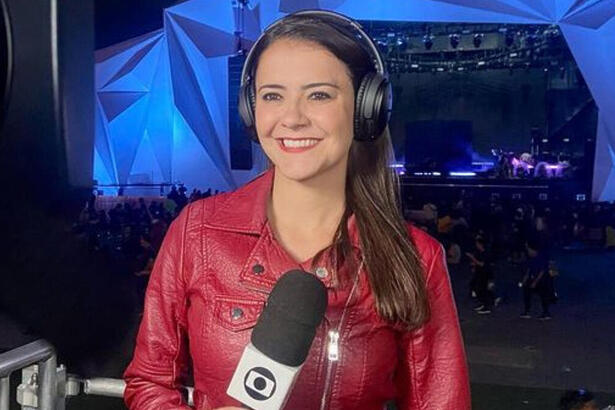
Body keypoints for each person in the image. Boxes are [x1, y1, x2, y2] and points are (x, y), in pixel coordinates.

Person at [124, 10, 470, 409]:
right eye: (273, 96)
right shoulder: (197, 232)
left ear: (365, 109)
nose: (292, 118)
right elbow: (150, 381)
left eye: (319, 94)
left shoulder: (416, 258)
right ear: (251, 110)